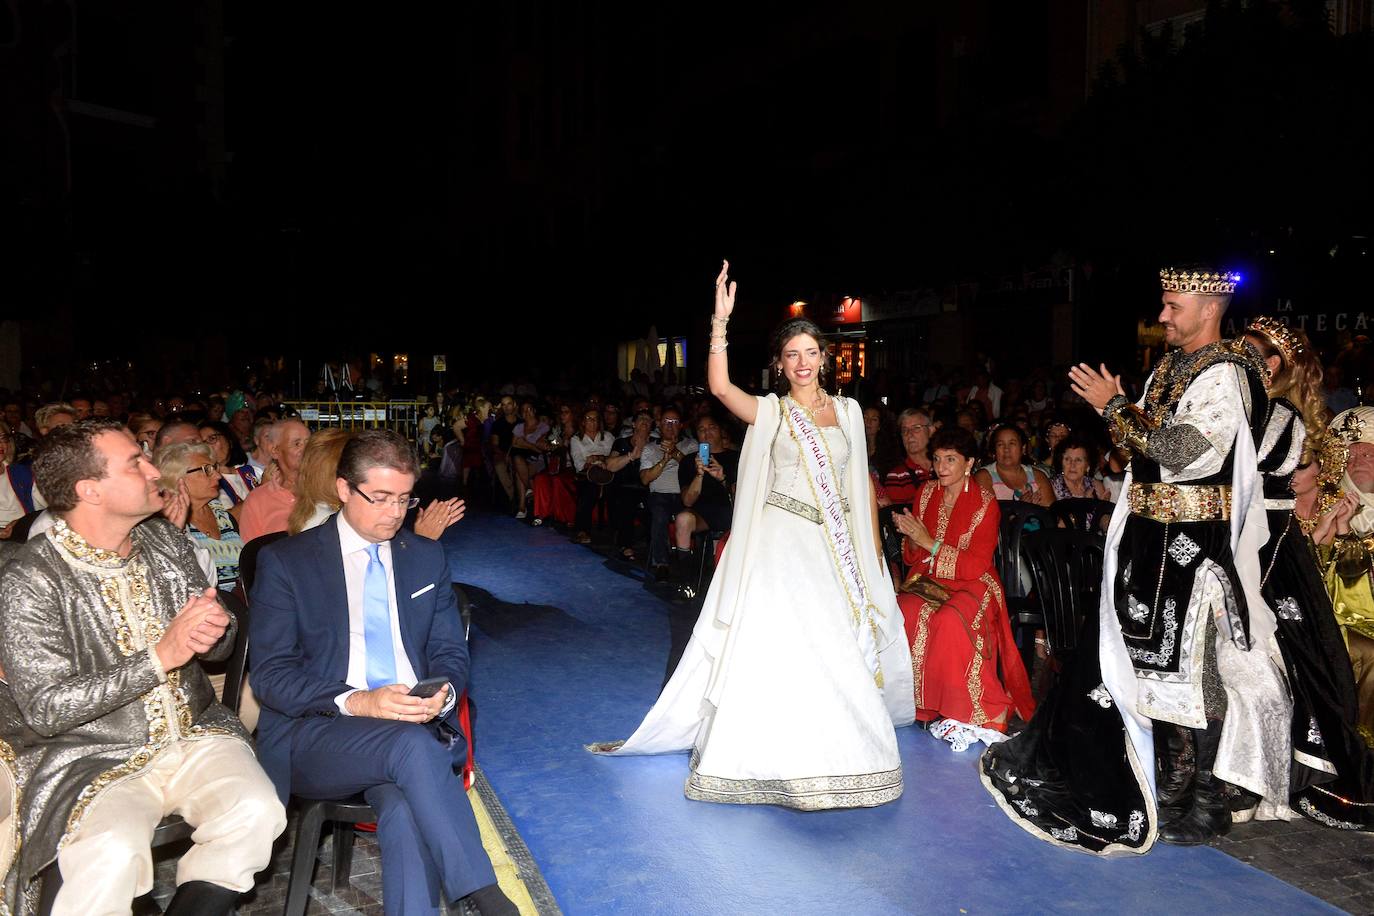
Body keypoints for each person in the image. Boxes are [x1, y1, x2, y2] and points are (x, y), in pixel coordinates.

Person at [983, 264, 1291, 852]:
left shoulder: (1227, 374)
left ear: (1209, 308)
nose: (1163, 316)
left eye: (1175, 306)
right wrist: (1121, 416)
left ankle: (1206, 799)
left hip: (1193, 544)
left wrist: (1116, 405)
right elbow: (1134, 451)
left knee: (1194, 665)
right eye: (1164, 304)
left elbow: (1184, 453)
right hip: (1150, 536)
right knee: (1151, 664)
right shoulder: (1171, 368)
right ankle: (1170, 783)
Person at [591, 261, 914, 810]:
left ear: (824, 358)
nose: (802, 362)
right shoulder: (771, 412)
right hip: (780, 543)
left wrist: (872, 550)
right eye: (792, 354)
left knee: (832, 645)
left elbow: (857, 481)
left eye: (810, 352)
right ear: (780, 364)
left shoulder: (849, 412)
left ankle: (841, 756)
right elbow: (719, 386)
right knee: (782, 645)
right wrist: (719, 323)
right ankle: (766, 758)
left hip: (833, 548)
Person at [0, 419, 285, 914]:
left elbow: (217, 651)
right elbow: (46, 710)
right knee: (110, 851)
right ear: (89, 490)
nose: (153, 470)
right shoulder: (32, 577)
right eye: (135, 463)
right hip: (93, 754)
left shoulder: (163, 542)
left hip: (195, 732)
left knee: (257, 810)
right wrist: (159, 657)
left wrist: (214, 632)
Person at [249, 431, 516, 916]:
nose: (395, 513)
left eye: (405, 499)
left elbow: (449, 651)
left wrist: (443, 693)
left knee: (405, 806)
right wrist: (359, 700)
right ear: (344, 489)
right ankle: (486, 897)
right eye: (381, 498)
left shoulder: (425, 556)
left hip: (410, 729)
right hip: (318, 732)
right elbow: (271, 676)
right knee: (413, 749)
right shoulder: (288, 562)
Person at [1243, 317, 1374, 831]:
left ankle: (1305, 775)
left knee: (1312, 664)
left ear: (1274, 365)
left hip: (1273, 553)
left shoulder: (1280, 417)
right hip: (1252, 546)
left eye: (1251, 353)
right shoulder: (1245, 407)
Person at [893, 426, 1035, 730]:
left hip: (975, 582)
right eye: (937, 459)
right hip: (931, 577)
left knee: (950, 620)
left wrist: (928, 541)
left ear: (969, 463)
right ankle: (921, 703)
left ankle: (976, 707)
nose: (941, 467)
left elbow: (975, 565)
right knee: (907, 609)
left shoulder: (985, 503)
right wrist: (912, 537)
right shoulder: (926, 493)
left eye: (950, 460)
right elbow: (913, 557)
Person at [1313, 406, 1374, 735]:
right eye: (1350, 455)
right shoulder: (1324, 505)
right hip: (1344, 623)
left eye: (1368, 454)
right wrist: (1341, 531)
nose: (1357, 462)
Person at [154, 441, 245, 592]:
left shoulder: (219, 512)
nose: (218, 476)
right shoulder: (170, 525)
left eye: (214, 468)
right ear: (178, 477)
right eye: (206, 469)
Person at [669, 414, 738, 591]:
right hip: (701, 515)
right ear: (697, 436)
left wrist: (723, 478)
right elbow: (687, 500)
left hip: (731, 512)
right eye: (701, 429)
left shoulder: (736, 458)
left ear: (720, 430)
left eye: (712, 427)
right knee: (683, 519)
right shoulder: (688, 461)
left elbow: (740, 496)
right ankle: (686, 581)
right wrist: (699, 475)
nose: (707, 432)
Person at [639, 407, 694, 579]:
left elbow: (695, 470)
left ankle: (691, 563)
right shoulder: (650, 448)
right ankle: (661, 563)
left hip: (685, 494)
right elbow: (645, 479)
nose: (670, 426)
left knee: (695, 510)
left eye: (674, 422)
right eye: (666, 422)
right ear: (659, 425)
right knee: (659, 513)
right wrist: (664, 460)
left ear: (681, 425)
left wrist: (675, 452)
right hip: (660, 494)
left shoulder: (691, 445)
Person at [238, 418, 309, 542]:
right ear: (275, 451)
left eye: (309, 444)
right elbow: (251, 550)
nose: (305, 450)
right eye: (297, 444)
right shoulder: (258, 500)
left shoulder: (325, 490)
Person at [974, 423, 1053, 506]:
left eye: (1012, 443)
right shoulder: (984, 477)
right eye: (1000, 444)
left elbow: (1050, 511)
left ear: (1023, 448)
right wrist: (1021, 507)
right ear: (994, 450)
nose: (1006, 449)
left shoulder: (1038, 477)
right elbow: (987, 511)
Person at [570, 406, 615, 544]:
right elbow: (579, 463)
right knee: (588, 491)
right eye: (589, 419)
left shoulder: (607, 437)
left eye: (595, 419)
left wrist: (597, 458)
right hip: (587, 474)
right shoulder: (576, 439)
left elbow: (613, 456)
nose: (593, 422)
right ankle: (582, 530)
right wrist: (592, 463)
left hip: (608, 472)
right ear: (583, 422)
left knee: (617, 491)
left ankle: (617, 532)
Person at [880, 408, 936, 507]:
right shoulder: (897, 477)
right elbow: (900, 515)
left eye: (916, 428)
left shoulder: (944, 467)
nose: (909, 434)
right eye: (904, 430)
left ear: (931, 431)